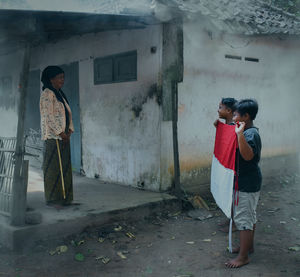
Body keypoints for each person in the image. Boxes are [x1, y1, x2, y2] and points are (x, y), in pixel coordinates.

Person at [225, 99, 262, 268]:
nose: (233, 117)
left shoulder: (249, 134)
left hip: (247, 183)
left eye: (236, 114)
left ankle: (243, 257)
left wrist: (239, 134)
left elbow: (248, 156)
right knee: (249, 216)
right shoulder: (246, 131)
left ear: (246, 116)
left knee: (244, 219)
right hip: (245, 181)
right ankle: (248, 247)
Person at [40, 66, 74, 206]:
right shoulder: (48, 94)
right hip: (54, 136)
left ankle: (66, 198)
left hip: (64, 135)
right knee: (54, 168)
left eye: (63, 77)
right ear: (51, 79)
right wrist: (61, 133)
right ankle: (54, 199)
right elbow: (49, 117)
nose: (62, 80)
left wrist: (69, 131)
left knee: (65, 167)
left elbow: (67, 113)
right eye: (60, 77)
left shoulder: (59, 94)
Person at [214, 97, 238, 233]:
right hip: (226, 166)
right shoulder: (226, 127)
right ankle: (230, 218)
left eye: (220, 107)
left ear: (228, 110)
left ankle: (234, 222)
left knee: (233, 195)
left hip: (233, 168)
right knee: (228, 193)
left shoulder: (235, 129)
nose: (218, 110)